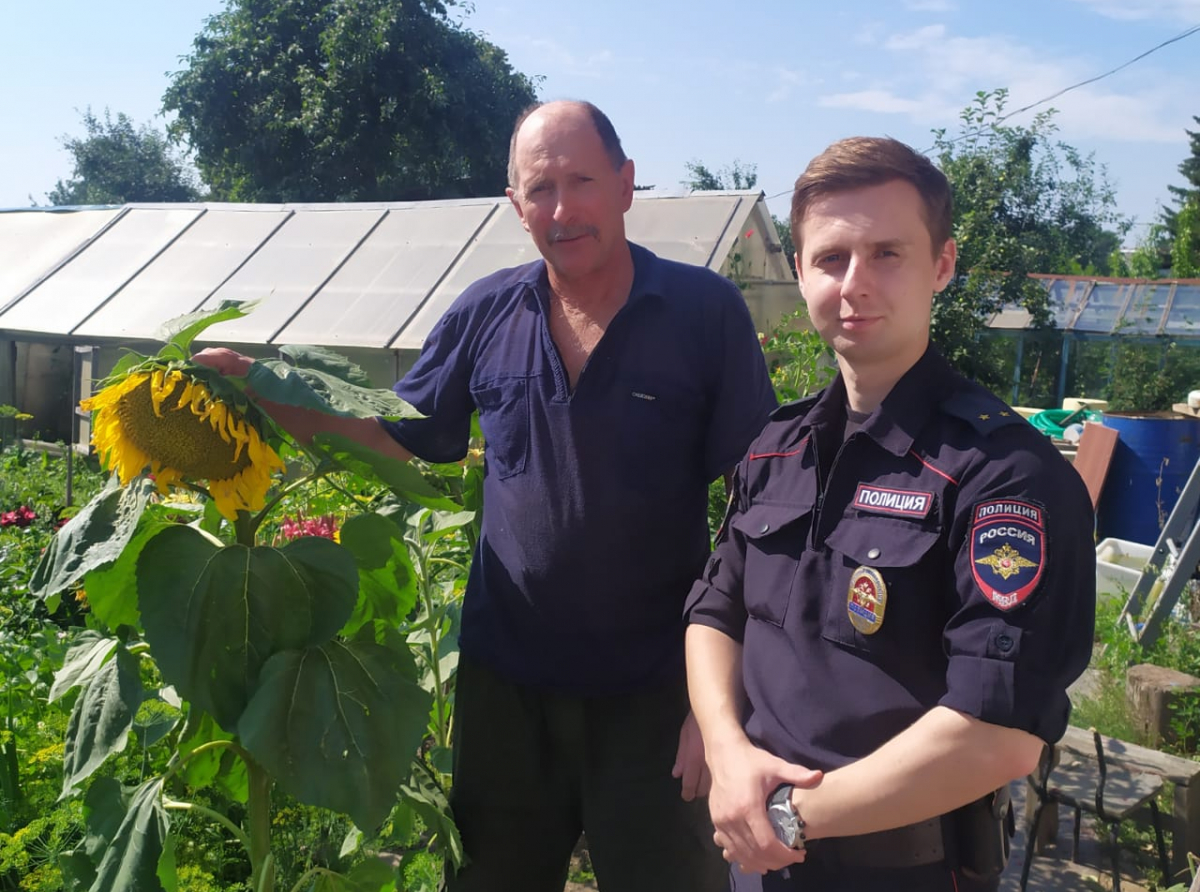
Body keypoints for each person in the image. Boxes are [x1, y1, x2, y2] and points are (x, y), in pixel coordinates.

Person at [197, 100, 777, 891]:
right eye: (540, 188)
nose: (563, 209)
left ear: (627, 184)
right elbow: (399, 432)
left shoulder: (704, 313)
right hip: (508, 688)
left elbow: (761, 500)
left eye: (582, 181)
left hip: (656, 689)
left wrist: (720, 703)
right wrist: (263, 394)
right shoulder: (486, 311)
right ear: (515, 204)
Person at [683, 136, 1096, 892]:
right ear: (801, 270)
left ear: (942, 264)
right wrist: (726, 750)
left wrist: (784, 818)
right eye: (833, 258)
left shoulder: (1006, 477)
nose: (855, 283)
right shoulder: (775, 447)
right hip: (757, 856)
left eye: (887, 254)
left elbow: (999, 736)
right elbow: (715, 610)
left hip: (902, 868)